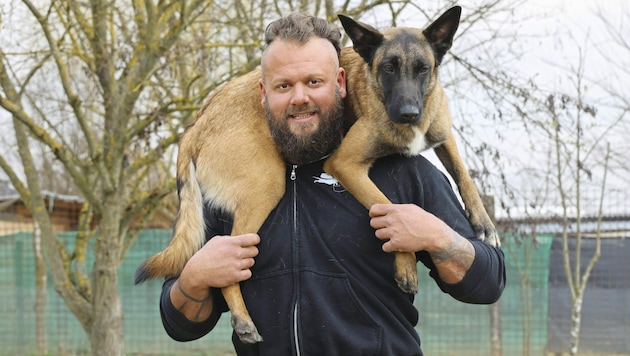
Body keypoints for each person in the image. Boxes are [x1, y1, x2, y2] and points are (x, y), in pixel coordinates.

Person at [159, 12, 505, 355]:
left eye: (313, 82)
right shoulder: (242, 180)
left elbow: (488, 283)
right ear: (262, 93)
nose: (299, 98)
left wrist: (437, 236)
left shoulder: (407, 172)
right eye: (284, 85)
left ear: (341, 82)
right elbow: (181, 325)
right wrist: (193, 278)